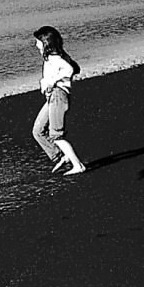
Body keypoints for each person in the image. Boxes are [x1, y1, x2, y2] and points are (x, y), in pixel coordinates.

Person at [32, 25, 86, 175]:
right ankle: (60, 156)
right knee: (38, 131)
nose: (36, 44)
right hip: (52, 97)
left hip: (58, 96)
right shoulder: (54, 57)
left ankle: (78, 165)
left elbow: (69, 70)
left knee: (56, 135)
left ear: (45, 42)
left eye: (38, 41)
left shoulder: (55, 58)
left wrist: (51, 82)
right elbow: (73, 68)